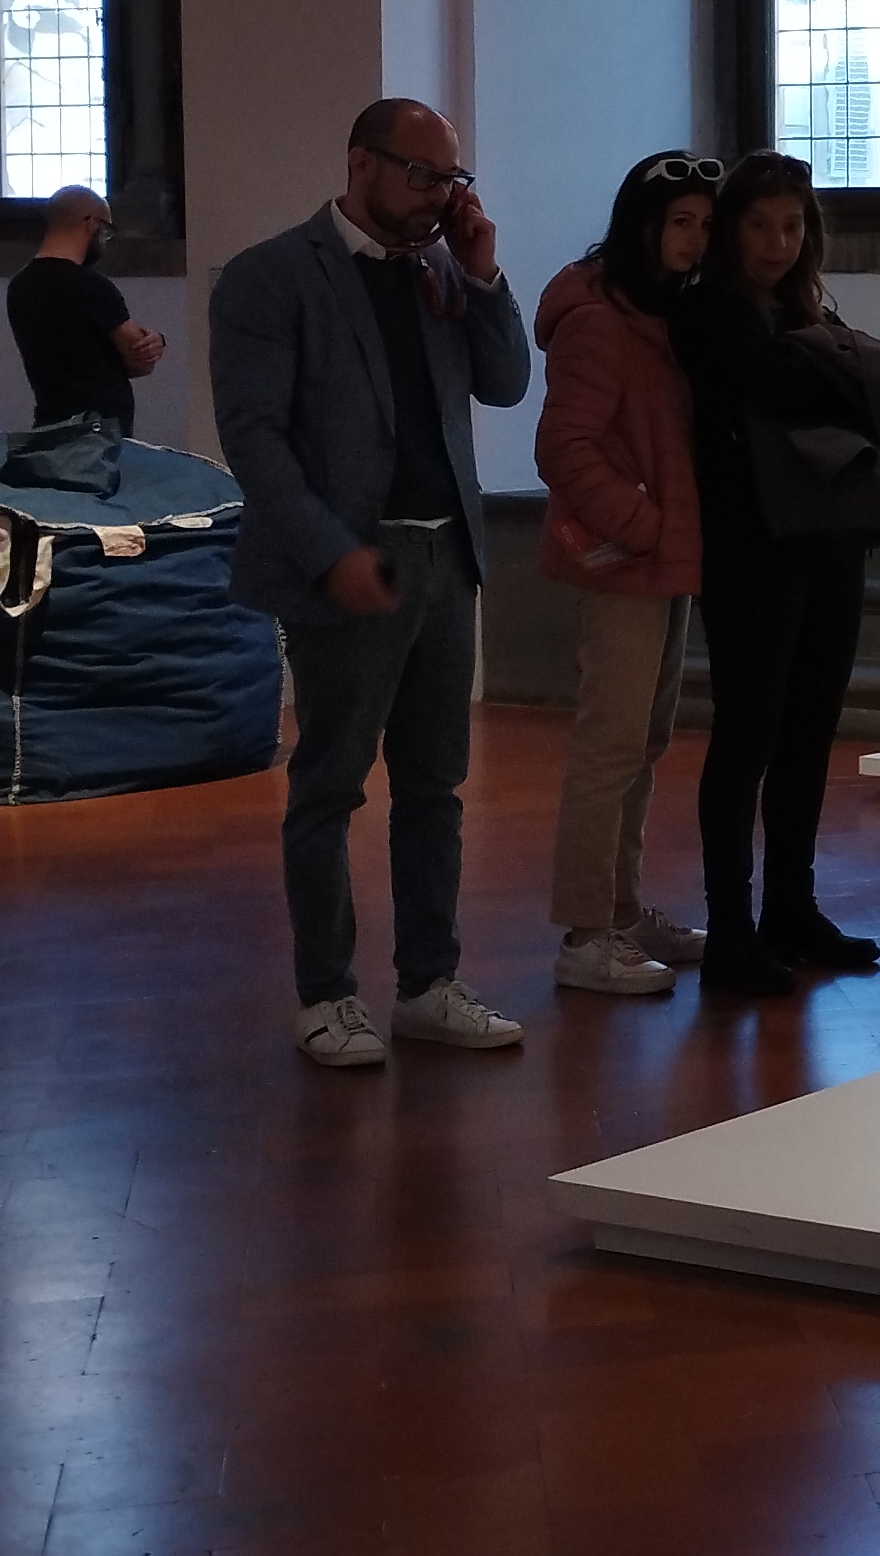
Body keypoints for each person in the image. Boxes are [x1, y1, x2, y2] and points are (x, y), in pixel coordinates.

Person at [208, 98, 534, 1071]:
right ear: (362, 164)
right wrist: (328, 552)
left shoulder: (440, 270)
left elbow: (509, 382)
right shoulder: (272, 277)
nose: (442, 196)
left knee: (435, 785)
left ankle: (429, 983)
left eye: (453, 179)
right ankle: (327, 996)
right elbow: (255, 438)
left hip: (446, 556)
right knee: (330, 788)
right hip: (350, 560)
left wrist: (482, 276)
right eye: (425, 176)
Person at [666, 150, 880, 997]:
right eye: (761, 224)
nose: (777, 241)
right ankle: (730, 927)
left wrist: (848, 376)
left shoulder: (804, 309)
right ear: (733, 228)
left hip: (828, 539)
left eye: (793, 225)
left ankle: (790, 909)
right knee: (746, 737)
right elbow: (790, 384)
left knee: (810, 733)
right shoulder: (713, 314)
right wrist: (852, 374)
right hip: (751, 547)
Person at [534, 154, 719, 999]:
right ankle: (585, 932)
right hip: (625, 561)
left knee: (641, 744)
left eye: (704, 225)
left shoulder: (660, 314)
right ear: (643, 224)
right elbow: (564, 448)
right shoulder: (599, 320)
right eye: (680, 222)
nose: (695, 239)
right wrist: (644, 525)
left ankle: (620, 907)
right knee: (608, 747)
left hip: (664, 557)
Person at [9, 186, 165, 433]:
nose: (105, 240)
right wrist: (155, 342)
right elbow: (139, 361)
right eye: (107, 232)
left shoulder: (19, 286)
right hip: (97, 435)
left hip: (50, 426)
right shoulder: (91, 286)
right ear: (92, 224)